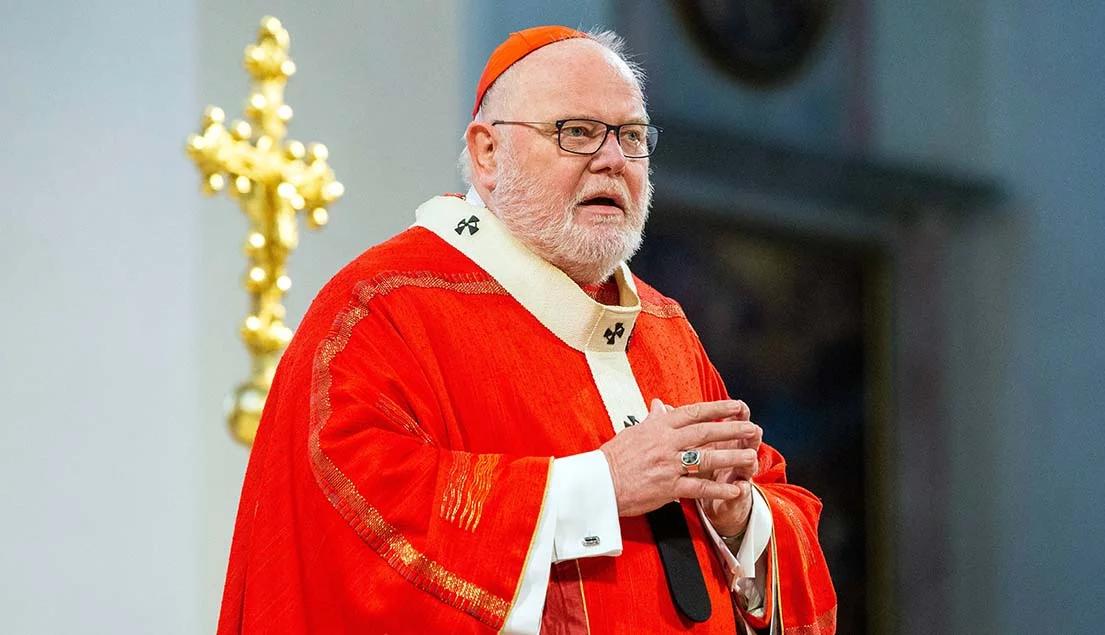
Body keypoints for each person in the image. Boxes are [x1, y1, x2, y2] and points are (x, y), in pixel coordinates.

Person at [217, 25, 835, 635]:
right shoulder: (384, 308)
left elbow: (778, 504)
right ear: (488, 153)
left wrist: (738, 518)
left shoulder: (663, 327)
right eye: (578, 133)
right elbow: (353, 525)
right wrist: (601, 485)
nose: (614, 160)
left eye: (632, 137)